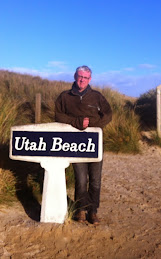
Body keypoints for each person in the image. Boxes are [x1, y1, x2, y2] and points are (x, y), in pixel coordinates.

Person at [55, 65, 112, 224]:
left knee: (95, 179)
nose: (82, 80)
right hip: (75, 144)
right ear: (75, 76)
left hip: (95, 143)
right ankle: (80, 210)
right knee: (81, 179)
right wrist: (77, 122)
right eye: (80, 76)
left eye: (85, 78)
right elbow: (58, 115)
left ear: (90, 79)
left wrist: (91, 123)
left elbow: (108, 115)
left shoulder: (97, 96)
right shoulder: (65, 96)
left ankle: (93, 211)